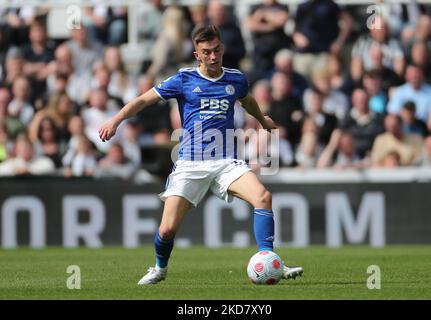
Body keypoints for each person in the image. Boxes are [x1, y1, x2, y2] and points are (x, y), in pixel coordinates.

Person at [99, 25, 303, 285]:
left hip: (227, 162)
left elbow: (247, 100)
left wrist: (262, 119)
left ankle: (271, 261)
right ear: (197, 55)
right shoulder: (183, 80)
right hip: (191, 163)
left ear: (222, 48)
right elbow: (143, 100)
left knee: (263, 197)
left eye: (217, 50)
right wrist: (115, 120)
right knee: (167, 229)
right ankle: (160, 268)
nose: (213, 56)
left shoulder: (236, 79)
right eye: (206, 52)